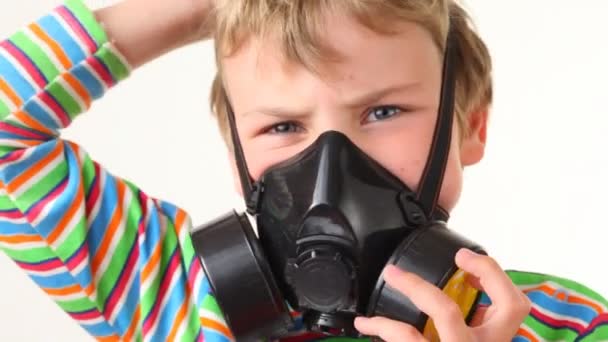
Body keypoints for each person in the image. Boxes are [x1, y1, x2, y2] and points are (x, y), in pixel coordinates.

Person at [0, 0, 606, 341]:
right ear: (234, 149)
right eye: (282, 126)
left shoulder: (565, 324)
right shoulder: (180, 301)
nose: (328, 166)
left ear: (470, 126)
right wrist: (207, 7)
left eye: (384, 110)